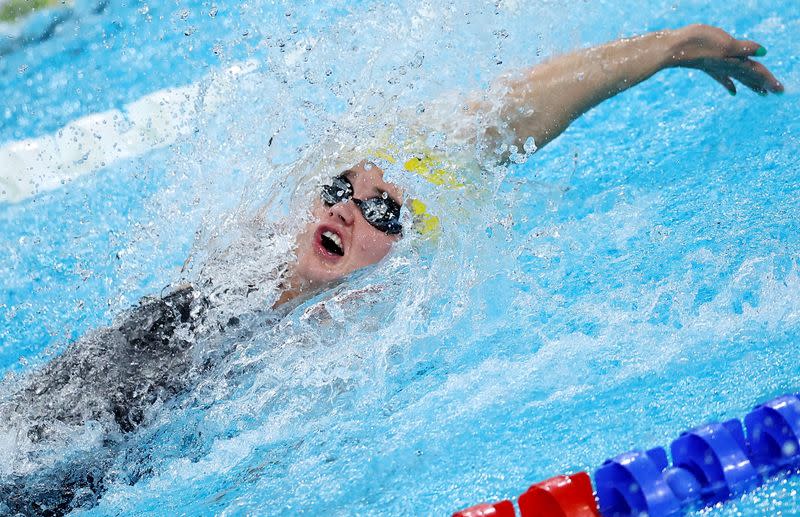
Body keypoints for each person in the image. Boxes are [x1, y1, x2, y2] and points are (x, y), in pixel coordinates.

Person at [0, 23, 783, 515]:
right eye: (344, 189)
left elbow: (514, 123)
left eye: (383, 212)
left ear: (403, 249)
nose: (349, 209)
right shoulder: (243, 256)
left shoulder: (343, 349)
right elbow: (502, 111)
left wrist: (668, 50)